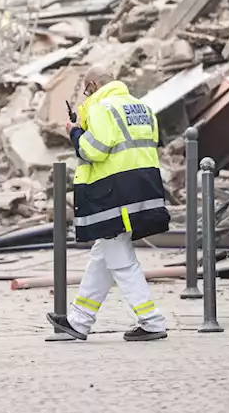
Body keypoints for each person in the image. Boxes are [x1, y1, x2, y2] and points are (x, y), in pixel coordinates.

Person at [46, 65, 171, 342]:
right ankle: (79, 320)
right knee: (103, 255)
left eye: (85, 90)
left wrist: (75, 132)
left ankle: (152, 321)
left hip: (114, 194)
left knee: (120, 259)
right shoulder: (141, 107)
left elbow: (94, 150)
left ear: (92, 85)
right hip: (143, 188)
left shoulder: (102, 108)